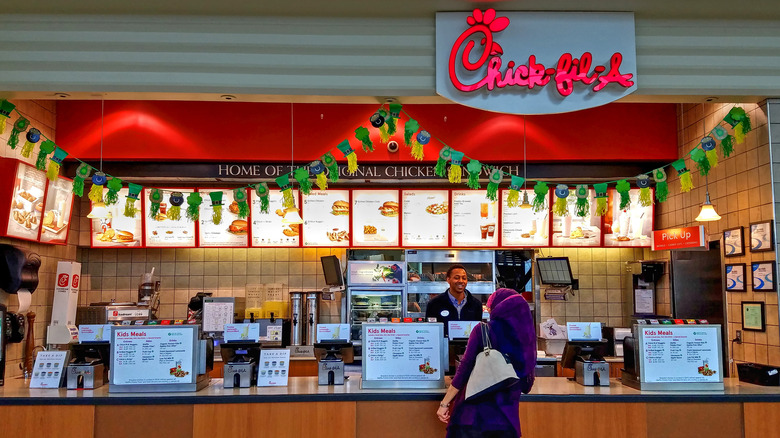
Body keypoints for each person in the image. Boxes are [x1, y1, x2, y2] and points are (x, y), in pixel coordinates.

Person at [436, 288, 536, 438]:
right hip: (507, 419)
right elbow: (527, 385)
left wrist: (445, 403)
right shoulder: (526, 336)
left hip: (475, 417)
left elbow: (464, 368)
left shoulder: (483, 330)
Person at [425, 264, 483, 335]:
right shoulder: (434, 304)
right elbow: (430, 331)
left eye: (464, 278)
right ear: (448, 279)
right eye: (456, 278)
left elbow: (477, 333)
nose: (461, 281)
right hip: (443, 345)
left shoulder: (476, 304)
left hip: (468, 346)